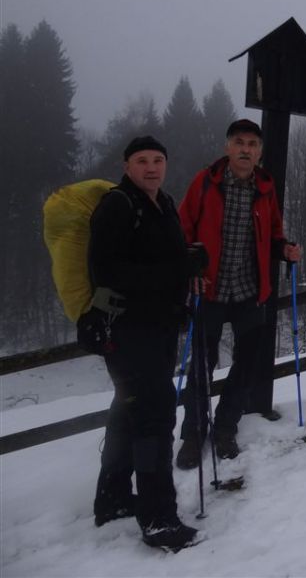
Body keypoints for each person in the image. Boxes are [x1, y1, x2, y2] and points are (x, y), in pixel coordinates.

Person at [87, 136, 199, 550]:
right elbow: (109, 271)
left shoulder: (163, 204)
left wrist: (179, 294)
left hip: (156, 327)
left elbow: (160, 262)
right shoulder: (118, 206)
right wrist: (177, 268)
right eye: (142, 161)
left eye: (158, 160)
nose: (151, 167)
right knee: (154, 419)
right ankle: (158, 519)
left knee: (126, 413)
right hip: (130, 331)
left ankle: (113, 499)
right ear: (126, 164)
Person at [175, 119, 301, 469]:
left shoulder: (264, 186)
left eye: (252, 144)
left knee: (248, 364)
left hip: (249, 291)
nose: (246, 150)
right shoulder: (205, 182)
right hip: (209, 290)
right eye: (239, 142)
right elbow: (182, 231)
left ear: (259, 152)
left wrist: (285, 249)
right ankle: (193, 433)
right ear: (228, 147)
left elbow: (274, 233)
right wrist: (190, 266)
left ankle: (226, 426)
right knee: (201, 365)